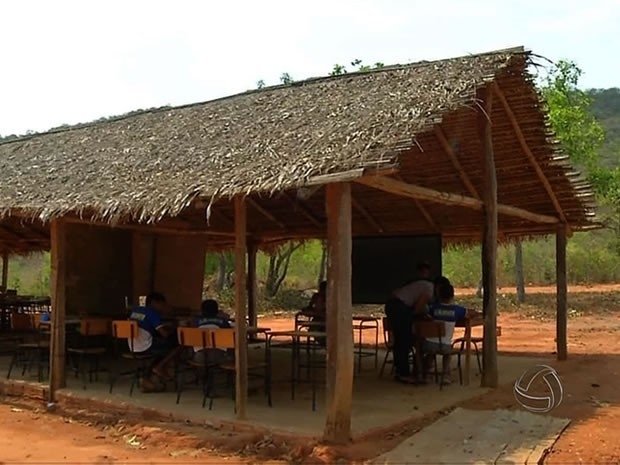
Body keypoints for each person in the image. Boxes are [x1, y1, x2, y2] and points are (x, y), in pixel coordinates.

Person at [384, 262, 434, 384]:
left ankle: (401, 370)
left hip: (394, 305)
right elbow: (418, 308)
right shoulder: (429, 288)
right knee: (404, 340)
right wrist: (421, 315)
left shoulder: (418, 283)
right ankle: (403, 373)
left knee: (401, 339)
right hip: (399, 307)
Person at [128, 292, 183, 391]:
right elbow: (164, 334)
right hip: (145, 345)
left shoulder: (135, 310)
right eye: (162, 304)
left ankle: (152, 374)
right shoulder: (152, 313)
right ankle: (159, 368)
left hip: (132, 344)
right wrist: (171, 328)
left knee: (162, 351)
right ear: (154, 302)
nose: (163, 307)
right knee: (179, 344)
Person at [424, 283, 478, 384]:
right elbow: (471, 313)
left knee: (430, 353)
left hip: (428, 345)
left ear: (438, 295)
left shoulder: (433, 308)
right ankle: (446, 376)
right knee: (447, 354)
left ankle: (427, 373)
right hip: (444, 345)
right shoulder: (456, 310)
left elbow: (425, 311)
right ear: (452, 295)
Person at [193, 299, 233, 364]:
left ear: (202, 310)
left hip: (199, 356)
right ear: (217, 310)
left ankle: (201, 372)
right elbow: (230, 334)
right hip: (218, 355)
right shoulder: (222, 322)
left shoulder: (196, 322)